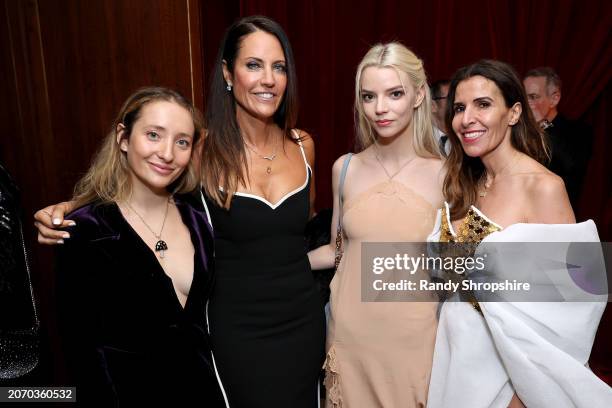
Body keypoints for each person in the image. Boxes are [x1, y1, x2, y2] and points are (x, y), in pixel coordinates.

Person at [35, 16, 324, 408]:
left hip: (304, 322)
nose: (268, 79)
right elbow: (139, 179)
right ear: (228, 72)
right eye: (253, 65)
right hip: (237, 331)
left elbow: (302, 229)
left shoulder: (303, 145)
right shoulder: (200, 151)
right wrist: (74, 206)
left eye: (279, 67)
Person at [427, 60, 611, 407]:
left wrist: (523, 394)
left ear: (513, 113)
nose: (467, 119)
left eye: (483, 104)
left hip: (510, 379)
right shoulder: (463, 183)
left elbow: (573, 307)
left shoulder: (543, 188)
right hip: (456, 362)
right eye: (459, 108)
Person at [53, 87, 226, 406]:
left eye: (182, 142)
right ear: (123, 137)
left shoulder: (200, 220)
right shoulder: (85, 231)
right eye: (153, 135)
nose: (167, 153)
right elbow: (79, 353)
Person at [308, 42, 444, 408]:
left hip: (415, 339)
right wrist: (275, 262)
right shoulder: (345, 168)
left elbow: (457, 266)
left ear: (418, 95)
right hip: (350, 335)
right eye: (369, 96)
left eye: (394, 93)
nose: (380, 108)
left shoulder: (447, 174)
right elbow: (338, 251)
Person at [523, 67, 593, 208]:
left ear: (554, 98)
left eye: (533, 97)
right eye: (523, 97)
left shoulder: (578, 131)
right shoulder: (518, 130)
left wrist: (542, 125)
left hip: (555, 215)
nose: (526, 103)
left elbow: (571, 165)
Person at [431, 79, 451, 155]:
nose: (456, 101)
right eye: (450, 97)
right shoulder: (418, 140)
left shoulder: (462, 137)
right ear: (432, 105)